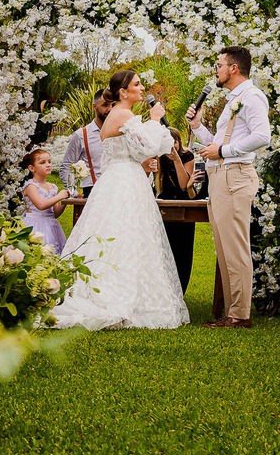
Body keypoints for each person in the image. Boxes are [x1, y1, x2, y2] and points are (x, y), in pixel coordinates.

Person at [48, 69, 190, 331]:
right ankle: (114, 297)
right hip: (124, 182)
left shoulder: (119, 115)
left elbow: (138, 151)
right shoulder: (124, 114)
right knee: (124, 234)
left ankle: (127, 292)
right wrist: (155, 119)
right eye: (137, 84)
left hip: (121, 178)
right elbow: (147, 147)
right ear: (123, 92)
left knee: (124, 235)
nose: (142, 87)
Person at [186, 46, 272, 328]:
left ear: (233, 68)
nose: (216, 70)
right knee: (224, 248)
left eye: (219, 65)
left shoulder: (252, 96)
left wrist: (223, 151)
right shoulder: (234, 99)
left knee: (235, 247)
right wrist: (197, 126)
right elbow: (217, 143)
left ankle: (240, 315)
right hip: (221, 177)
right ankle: (232, 312)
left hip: (235, 177)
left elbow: (263, 136)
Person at [155, 127, 200, 292]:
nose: (172, 146)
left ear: (179, 142)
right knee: (163, 250)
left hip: (183, 206)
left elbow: (183, 185)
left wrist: (176, 160)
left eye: (174, 141)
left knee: (182, 251)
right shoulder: (158, 157)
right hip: (163, 207)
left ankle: (180, 290)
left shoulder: (187, 156)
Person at [60, 91, 114, 196]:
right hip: (93, 192)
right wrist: (74, 193)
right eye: (105, 105)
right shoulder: (81, 135)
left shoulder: (120, 132)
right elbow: (66, 166)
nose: (110, 109)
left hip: (119, 190)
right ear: (95, 107)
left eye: (113, 105)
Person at [20, 149, 70, 253]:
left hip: (51, 225)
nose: (48, 165)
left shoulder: (52, 187)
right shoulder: (31, 186)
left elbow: (55, 213)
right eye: (42, 163)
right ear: (32, 168)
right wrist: (59, 196)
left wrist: (64, 201)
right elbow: (41, 205)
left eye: (49, 162)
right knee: (39, 252)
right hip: (35, 224)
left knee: (54, 252)